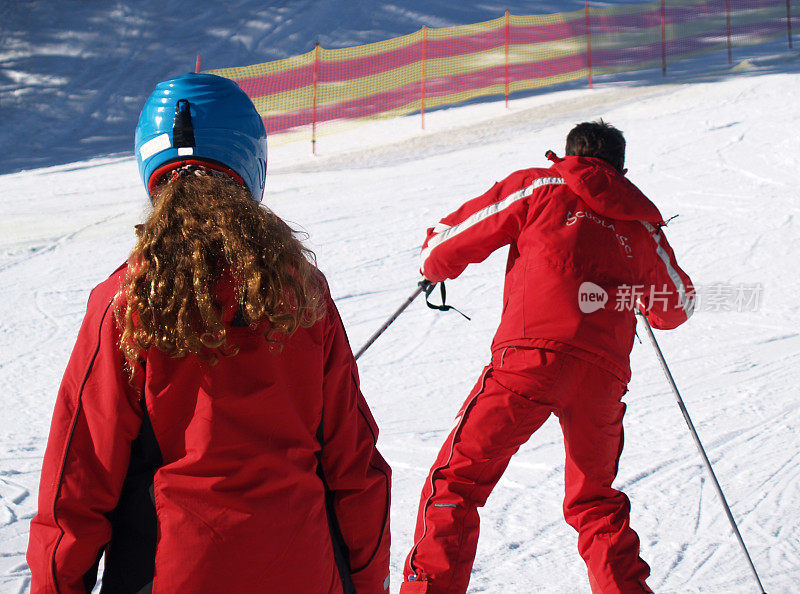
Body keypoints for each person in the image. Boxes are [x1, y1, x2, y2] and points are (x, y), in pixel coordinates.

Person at [26, 73, 391, 594]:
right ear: (250, 161)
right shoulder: (302, 294)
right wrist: (367, 580)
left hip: (174, 573)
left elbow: (77, 477)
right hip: (303, 569)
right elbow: (355, 464)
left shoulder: (126, 300)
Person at [400, 121, 694, 594]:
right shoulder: (639, 223)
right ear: (622, 169)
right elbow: (677, 304)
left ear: (565, 155)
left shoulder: (541, 184)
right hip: (601, 377)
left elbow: (444, 244)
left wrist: (434, 266)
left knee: (456, 484)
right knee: (595, 503)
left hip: (530, 359)